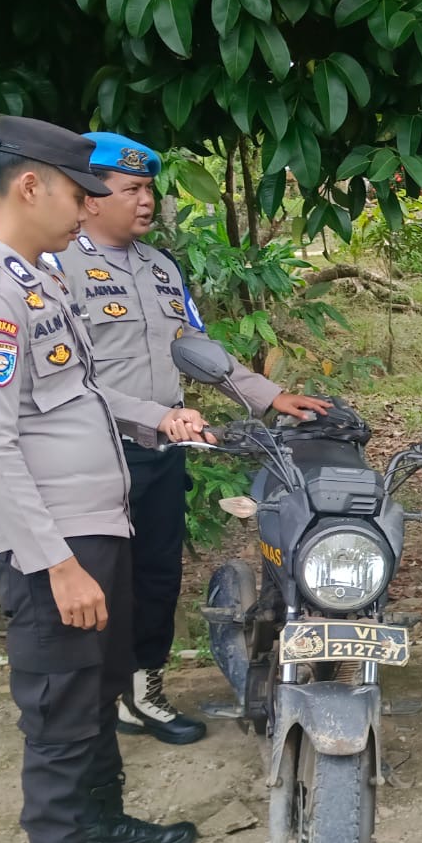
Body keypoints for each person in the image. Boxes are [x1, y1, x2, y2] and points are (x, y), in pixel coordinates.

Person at [0, 116, 210, 843]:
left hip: (98, 527)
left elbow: (85, 391)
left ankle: (104, 827)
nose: (89, 208)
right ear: (30, 187)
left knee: (98, 689)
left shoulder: (40, 282)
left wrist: (159, 416)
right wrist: (55, 563)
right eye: (78, 193)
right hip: (53, 547)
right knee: (58, 719)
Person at [50, 133, 329, 745]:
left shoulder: (160, 267)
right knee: (97, 580)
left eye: (149, 189)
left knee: (156, 575)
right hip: (89, 456)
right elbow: (66, 379)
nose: (146, 201)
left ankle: (142, 692)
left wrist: (269, 395)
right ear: (90, 197)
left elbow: (197, 348)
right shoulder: (55, 269)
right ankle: (90, 703)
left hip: (161, 451)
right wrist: (155, 415)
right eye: (131, 189)